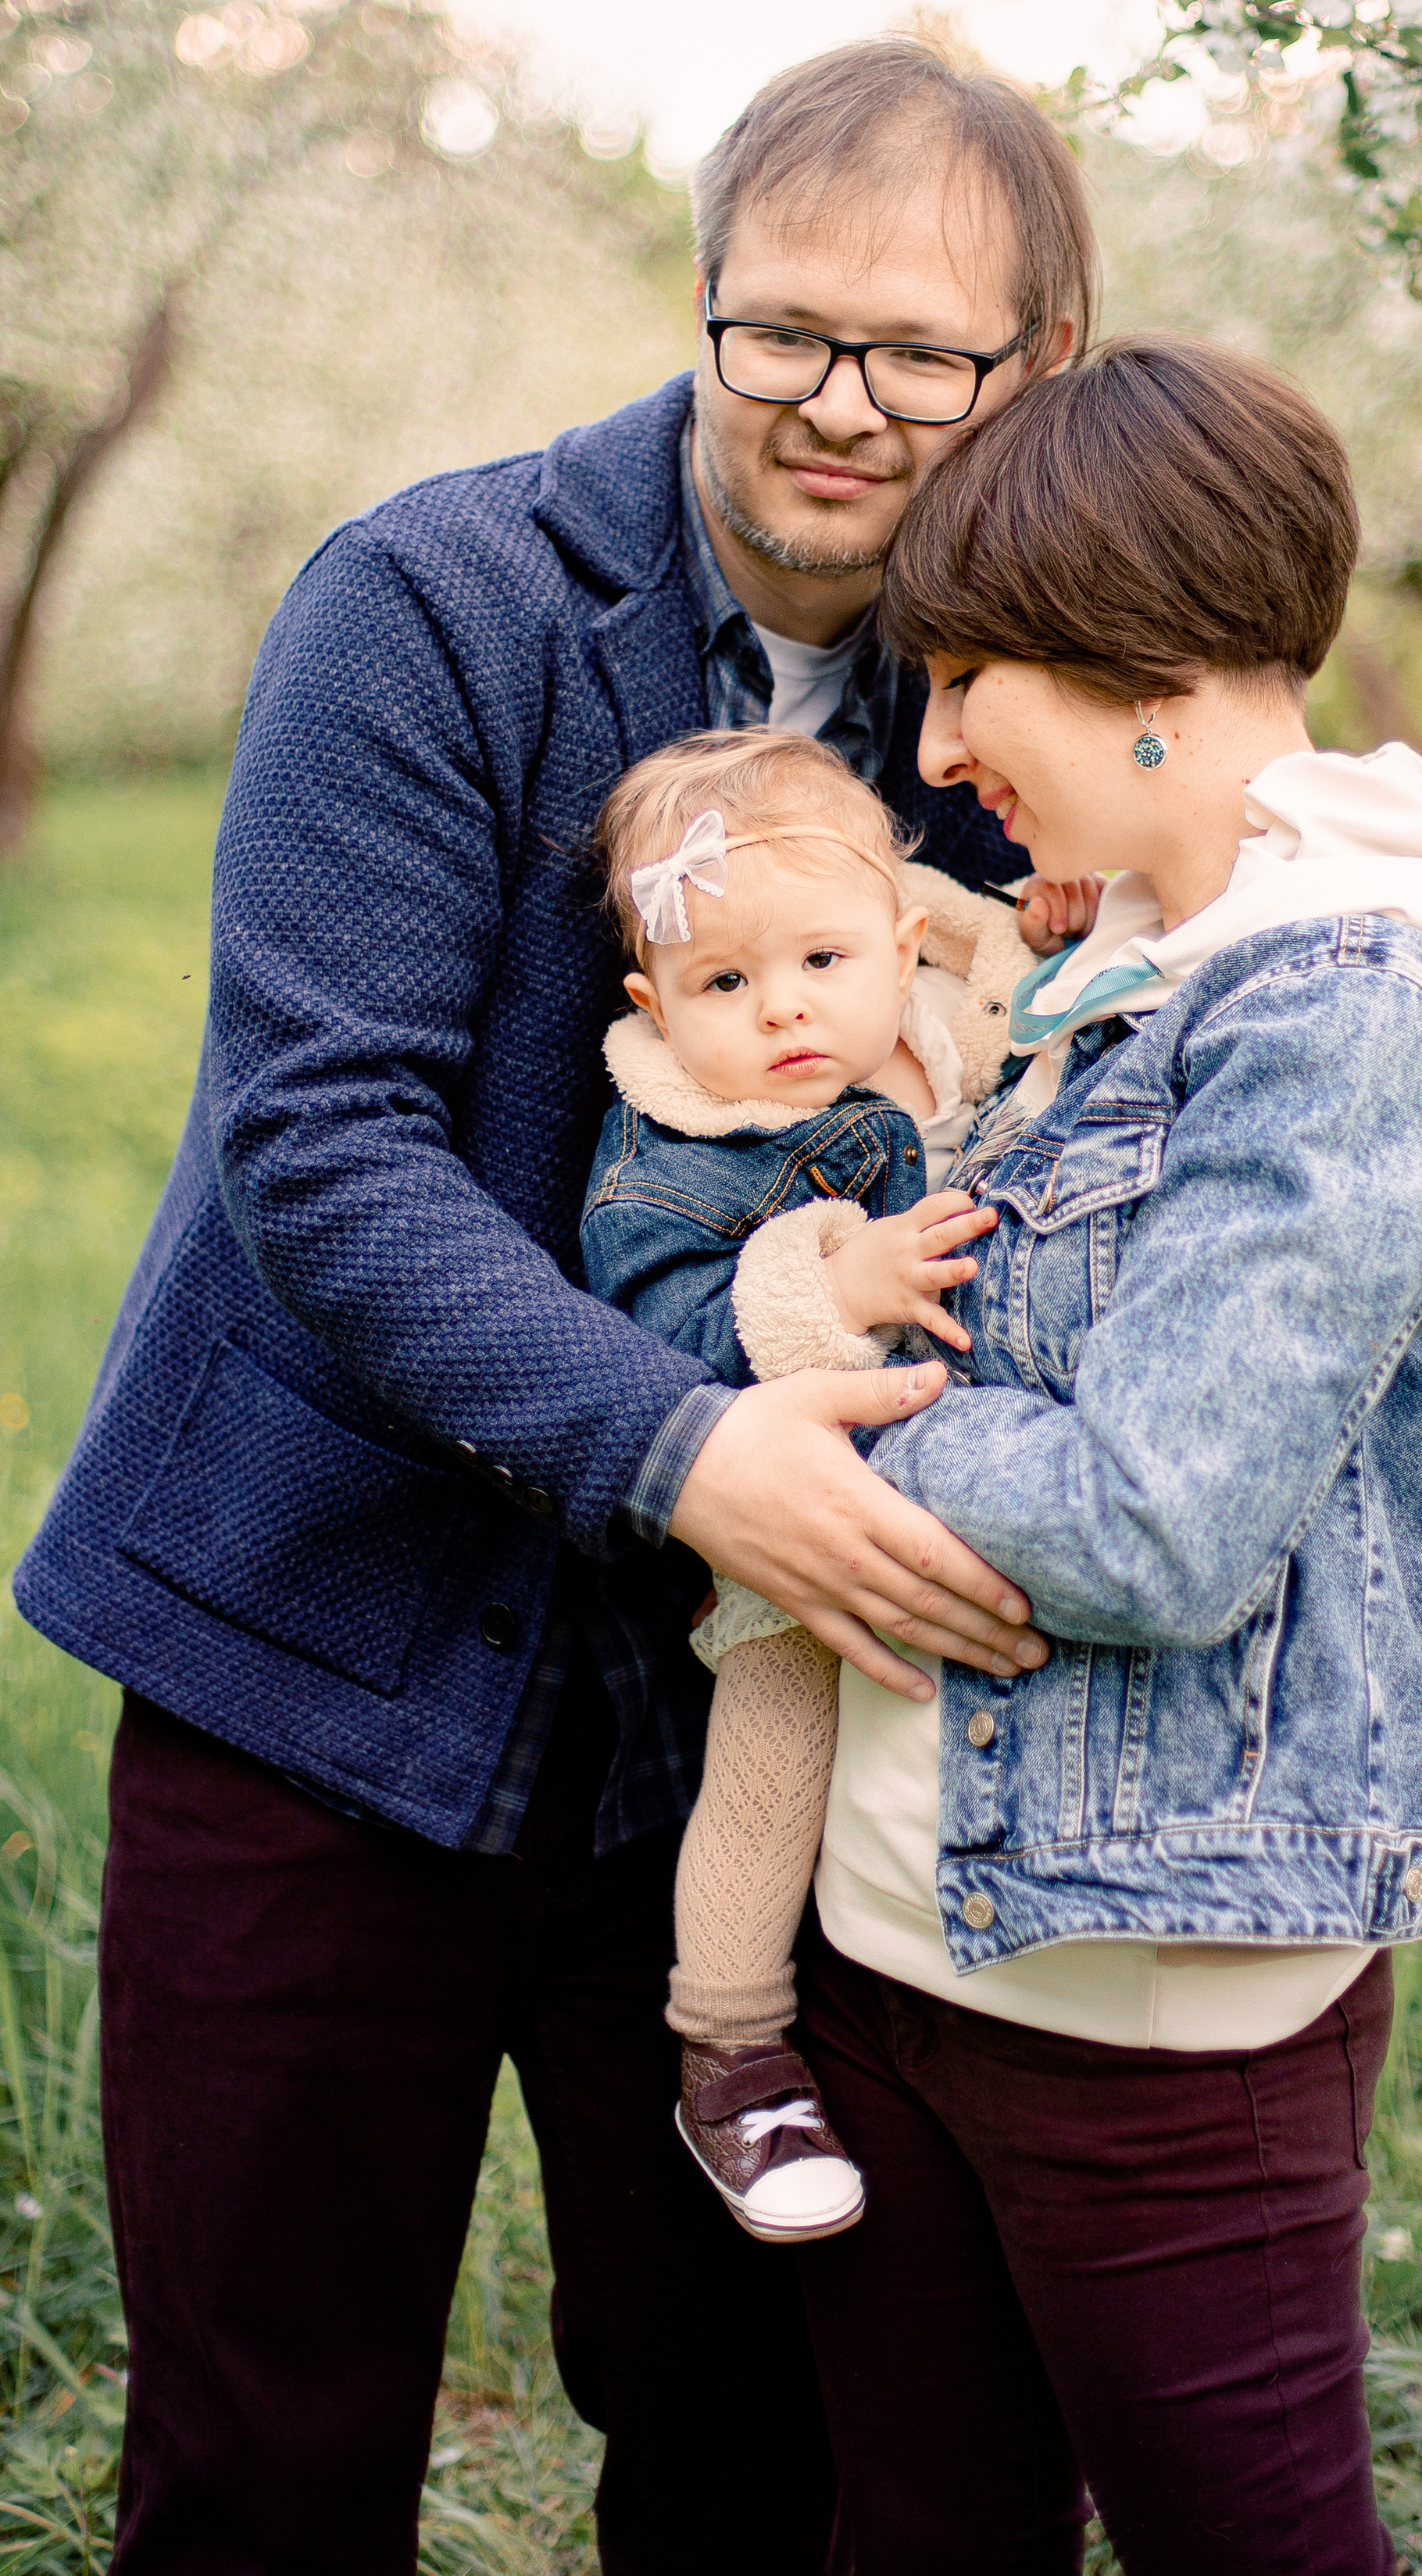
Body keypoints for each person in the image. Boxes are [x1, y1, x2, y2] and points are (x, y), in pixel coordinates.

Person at [10, 38, 1082, 2574]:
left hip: (732, 1738)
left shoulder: (1016, 707)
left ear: (1038, 361)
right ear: (703, 296)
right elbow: (323, 1147)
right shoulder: (432, 602)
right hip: (310, 1654)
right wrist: (694, 1449)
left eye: (923, 351)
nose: (843, 403)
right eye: (784, 327)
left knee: (751, 2452)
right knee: (265, 2462)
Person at [789, 336, 1422, 2575]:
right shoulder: (1126, 962)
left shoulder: (1349, 1015)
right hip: (903, 1939)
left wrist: (803, 1438)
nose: (934, 749)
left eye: (967, 680)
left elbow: (1155, 1524)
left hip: (1151, 2009)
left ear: (1141, 658)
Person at [581, 726, 1037, 2242]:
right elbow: (661, 1339)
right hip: (789, 1531)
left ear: (901, 944)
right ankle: (731, 2049)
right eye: (723, 982)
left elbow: (1041, 999)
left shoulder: (954, 1020)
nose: (781, 1008)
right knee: (772, 1759)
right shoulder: (674, 1148)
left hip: (984, 1490)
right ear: (654, 1007)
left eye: (821, 962)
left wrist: (1055, 922)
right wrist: (826, 1285)